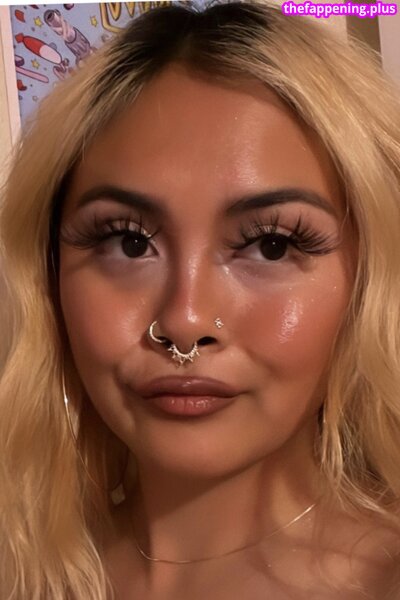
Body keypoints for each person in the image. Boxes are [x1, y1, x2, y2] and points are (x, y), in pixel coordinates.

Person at [1, 1, 400, 598]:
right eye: (128, 242)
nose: (184, 322)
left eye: (271, 245)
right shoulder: (24, 567)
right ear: (49, 276)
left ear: (369, 279)